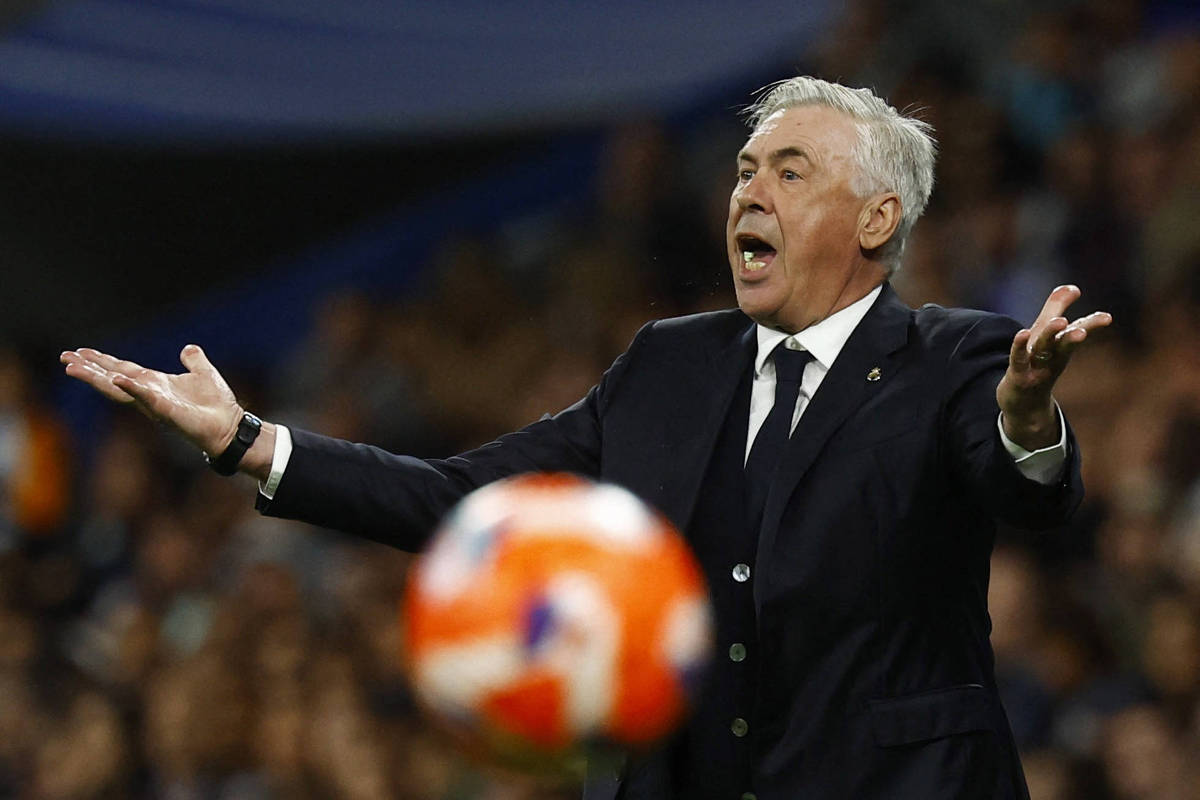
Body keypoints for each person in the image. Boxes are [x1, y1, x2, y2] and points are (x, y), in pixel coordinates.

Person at [61, 77, 1112, 800]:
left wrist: (1028, 420)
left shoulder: (955, 356)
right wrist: (249, 441)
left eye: (790, 173)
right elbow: (465, 499)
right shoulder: (668, 364)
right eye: (744, 170)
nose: (749, 192)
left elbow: (1025, 486)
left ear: (877, 220)